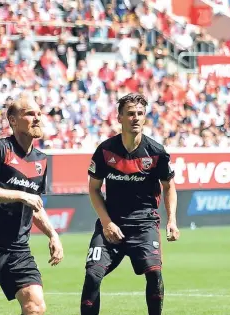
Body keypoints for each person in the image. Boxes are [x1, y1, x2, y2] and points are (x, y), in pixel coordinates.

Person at [0, 95, 64, 315]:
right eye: (29, 113)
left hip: (18, 248)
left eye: (38, 113)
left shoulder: (41, 160)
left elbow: (35, 204)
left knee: (35, 306)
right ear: (13, 120)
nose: (36, 118)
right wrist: (20, 195)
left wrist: (53, 234)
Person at [80, 93, 180, 315]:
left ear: (145, 118)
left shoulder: (157, 152)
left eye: (140, 114)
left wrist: (172, 220)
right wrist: (106, 222)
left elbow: (169, 186)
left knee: (154, 272)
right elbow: (94, 189)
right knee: (92, 275)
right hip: (111, 224)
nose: (135, 118)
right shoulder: (105, 151)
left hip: (144, 225)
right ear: (119, 118)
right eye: (130, 114)